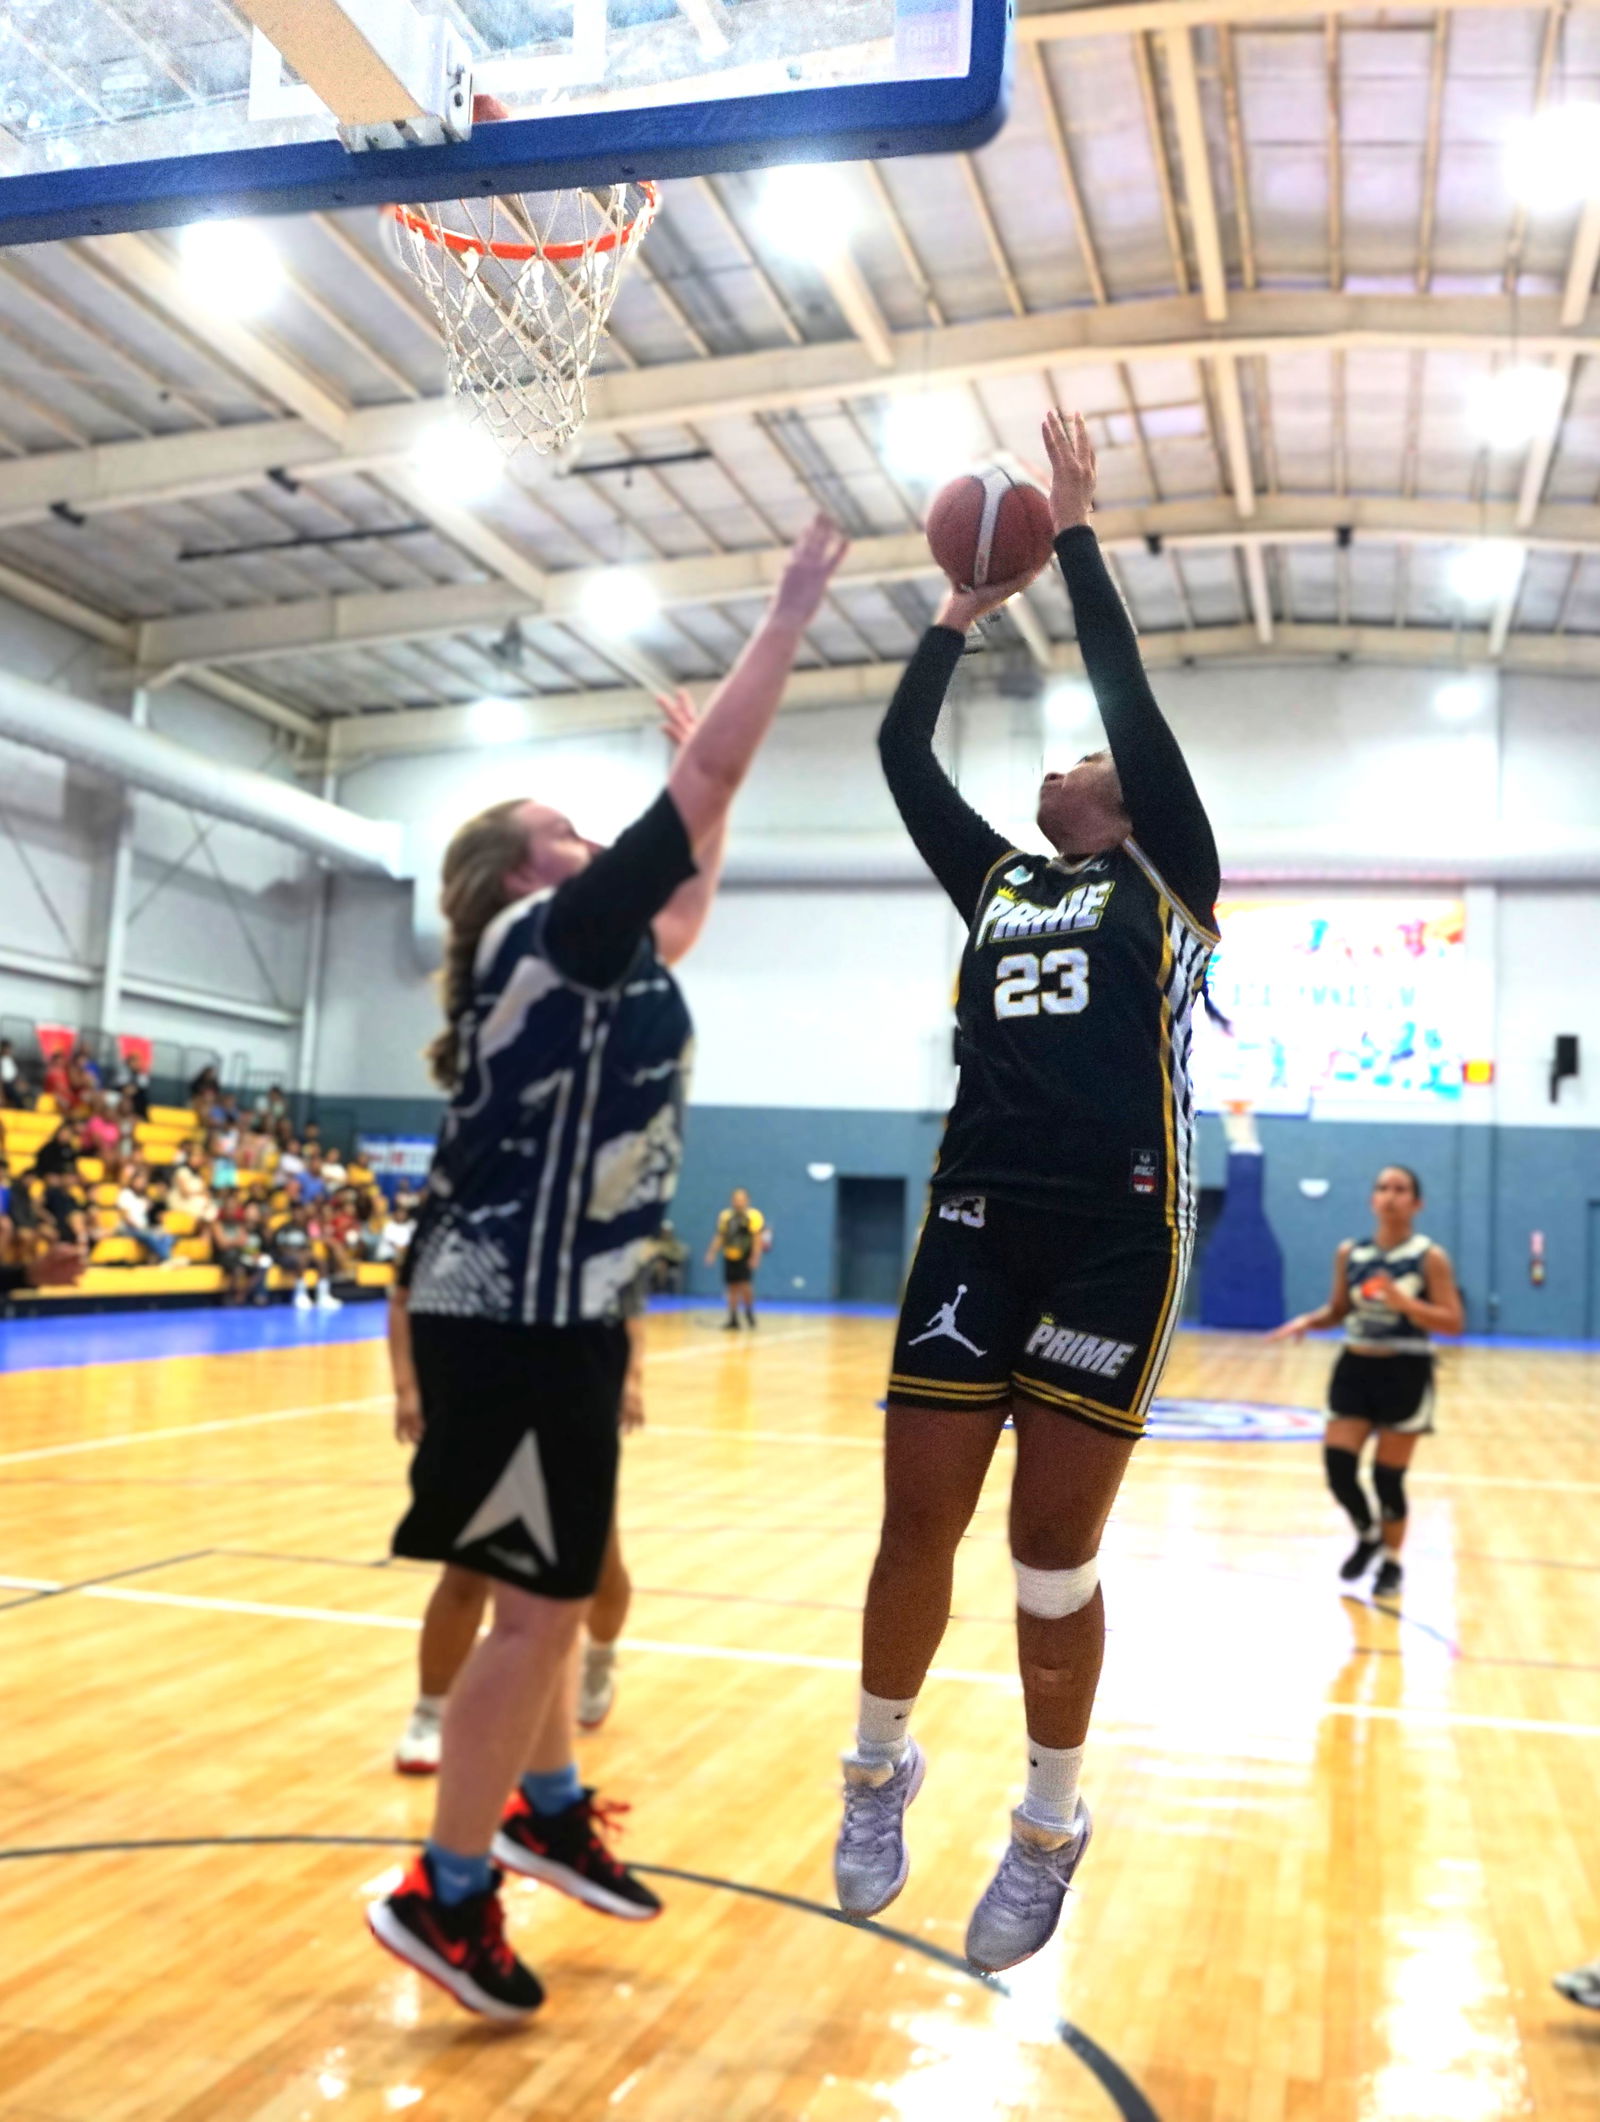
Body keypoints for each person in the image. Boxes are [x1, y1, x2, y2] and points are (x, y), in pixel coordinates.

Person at [366, 515, 848, 2022]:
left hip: (555, 1304)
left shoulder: (613, 952)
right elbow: (690, 806)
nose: (595, 838)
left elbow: (691, 886)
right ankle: (442, 1896)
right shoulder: (544, 928)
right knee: (530, 1602)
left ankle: (543, 1807)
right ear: (526, 864)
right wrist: (786, 613)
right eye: (572, 822)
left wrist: (714, 774)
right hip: (498, 1305)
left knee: (560, 1591)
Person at [830, 411, 1220, 1976]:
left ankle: (1050, 1818)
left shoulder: (1167, 872)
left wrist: (1069, 531)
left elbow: (1127, 697)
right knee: (911, 1520)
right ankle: (876, 1768)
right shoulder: (997, 879)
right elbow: (895, 756)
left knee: (1049, 1557)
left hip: (1123, 1232)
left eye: (1083, 755)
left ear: (1116, 800)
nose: (1063, 754)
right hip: (978, 1214)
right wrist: (951, 614)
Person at [1265, 1165, 1463, 1599]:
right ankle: (1368, 1534)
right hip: (1355, 1368)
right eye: (1382, 1188)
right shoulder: (1350, 1253)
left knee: (1388, 1479)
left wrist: (1403, 1301)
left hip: (1406, 1372)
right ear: (1373, 1200)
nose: (1390, 1195)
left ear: (1417, 1203)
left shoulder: (1429, 1257)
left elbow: (1452, 1321)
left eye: (1401, 1189)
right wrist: (1308, 1320)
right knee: (1339, 1469)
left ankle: (1391, 1564)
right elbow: (1338, 1310)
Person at [704, 1186, 771, 1329]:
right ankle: (733, 1318)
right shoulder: (726, 1216)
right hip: (730, 1254)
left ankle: (749, 1313)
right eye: (736, 1199)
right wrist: (712, 1252)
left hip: (745, 1255)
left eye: (741, 1200)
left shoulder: (753, 1216)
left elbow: (756, 1238)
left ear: (747, 1201)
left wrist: (755, 1257)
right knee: (732, 1287)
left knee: (745, 1285)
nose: (738, 1202)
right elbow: (720, 1236)